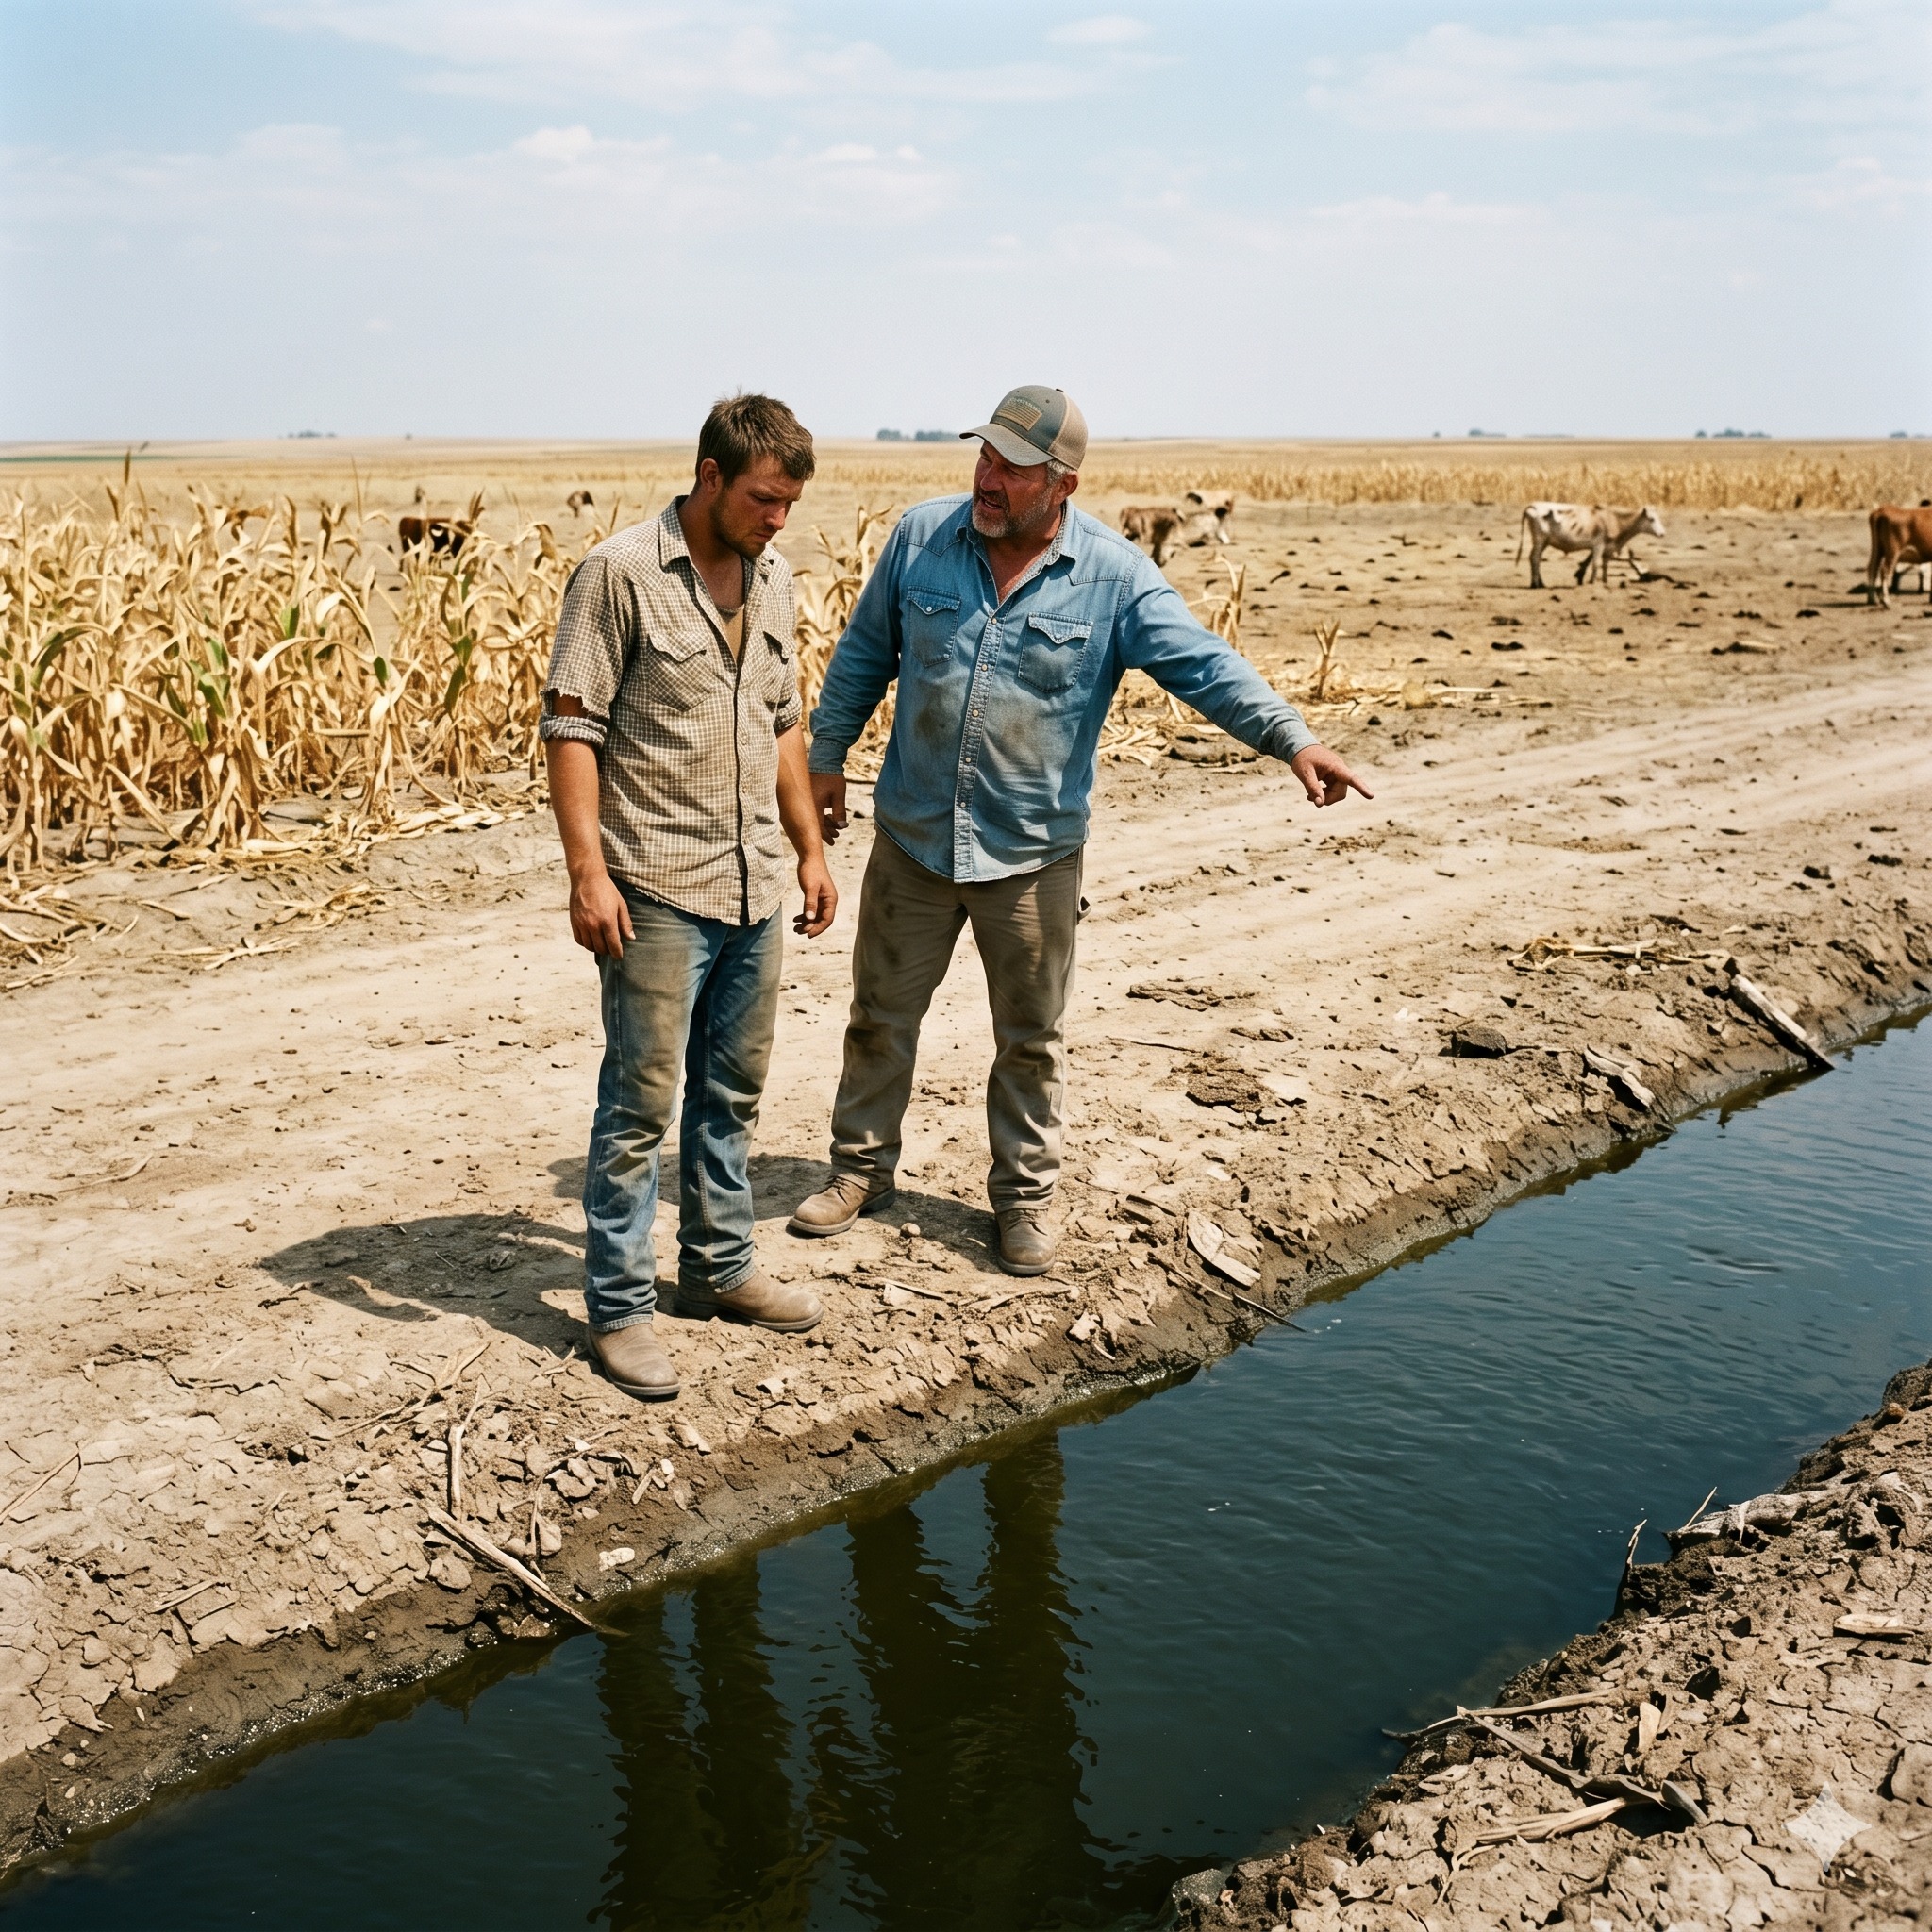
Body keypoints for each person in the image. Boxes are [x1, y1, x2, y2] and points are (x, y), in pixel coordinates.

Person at [791, 385, 1371, 1275]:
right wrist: (826, 754)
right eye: (983, 457)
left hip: (1029, 856)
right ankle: (861, 1170)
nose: (986, 479)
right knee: (879, 1016)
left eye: (1011, 469)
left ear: (1060, 484)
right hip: (910, 840)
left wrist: (1293, 739)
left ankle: (1022, 1200)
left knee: (1030, 1039)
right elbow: (866, 651)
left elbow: (1204, 667)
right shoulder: (921, 539)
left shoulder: (1113, 576)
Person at [541, 393, 836, 1403]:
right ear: (709, 476)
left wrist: (808, 849)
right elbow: (571, 730)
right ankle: (619, 1310)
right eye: (763, 499)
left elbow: (785, 721)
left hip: (755, 878)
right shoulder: (618, 575)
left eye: (790, 503)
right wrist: (588, 872)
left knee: (732, 1095)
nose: (777, 519)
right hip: (656, 883)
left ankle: (719, 1268)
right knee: (639, 1104)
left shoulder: (777, 576)